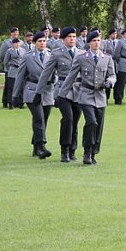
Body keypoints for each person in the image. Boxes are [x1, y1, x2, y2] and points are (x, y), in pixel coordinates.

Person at [62, 30, 116, 165]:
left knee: (99, 125)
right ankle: (87, 150)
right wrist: (61, 95)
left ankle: (93, 152)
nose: (97, 43)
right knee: (91, 122)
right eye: (94, 41)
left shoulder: (107, 57)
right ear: (89, 43)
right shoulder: (81, 58)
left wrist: (110, 81)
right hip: (86, 94)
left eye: (98, 40)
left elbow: (112, 75)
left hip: (101, 95)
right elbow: (71, 76)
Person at [39, 26, 82, 162]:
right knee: (68, 118)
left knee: (75, 120)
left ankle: (73, 149)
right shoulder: (57, 53)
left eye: (74, 37)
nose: (72, 39)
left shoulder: (81, 53)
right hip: (62, 90)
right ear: (63, 39)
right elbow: (46, 73)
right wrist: (38, 92)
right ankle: (65, 150)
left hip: (78, 90)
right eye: (69, 37)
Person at [13, 31, 55, 159]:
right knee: (39, 118)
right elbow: (20, 76)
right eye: (39, 41)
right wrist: (15, 95)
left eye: (44, 41)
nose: (42, 43)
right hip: (32, 90)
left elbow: (57, 73)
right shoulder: (28, 57)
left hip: (48, 91)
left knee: (44, 119)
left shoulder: (51, 56)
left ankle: (35, 146)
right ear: (35, 43)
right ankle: (42, 146)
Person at [0, 27, 20, 107]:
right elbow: (2, 55)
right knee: (8, 85)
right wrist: (7, 65)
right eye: (14, 32)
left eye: (17, 32)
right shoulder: (6, 43)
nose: (15, 34)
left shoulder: (20, 42)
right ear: (11, 33)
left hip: (18, 69)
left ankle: (17, 102)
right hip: (9, 68)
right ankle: (5, 101)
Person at [2, 38, 26, 109]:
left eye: (18, 43)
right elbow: (5, 62)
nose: (17, 44)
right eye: (16, 43)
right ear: (13, 44)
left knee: (21, 87)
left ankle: (20, 103)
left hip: (20, 70)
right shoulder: (10, 51)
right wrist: (10, 67)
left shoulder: (23, 50)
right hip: (13, 70)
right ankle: (10, 103)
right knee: (11, 87)